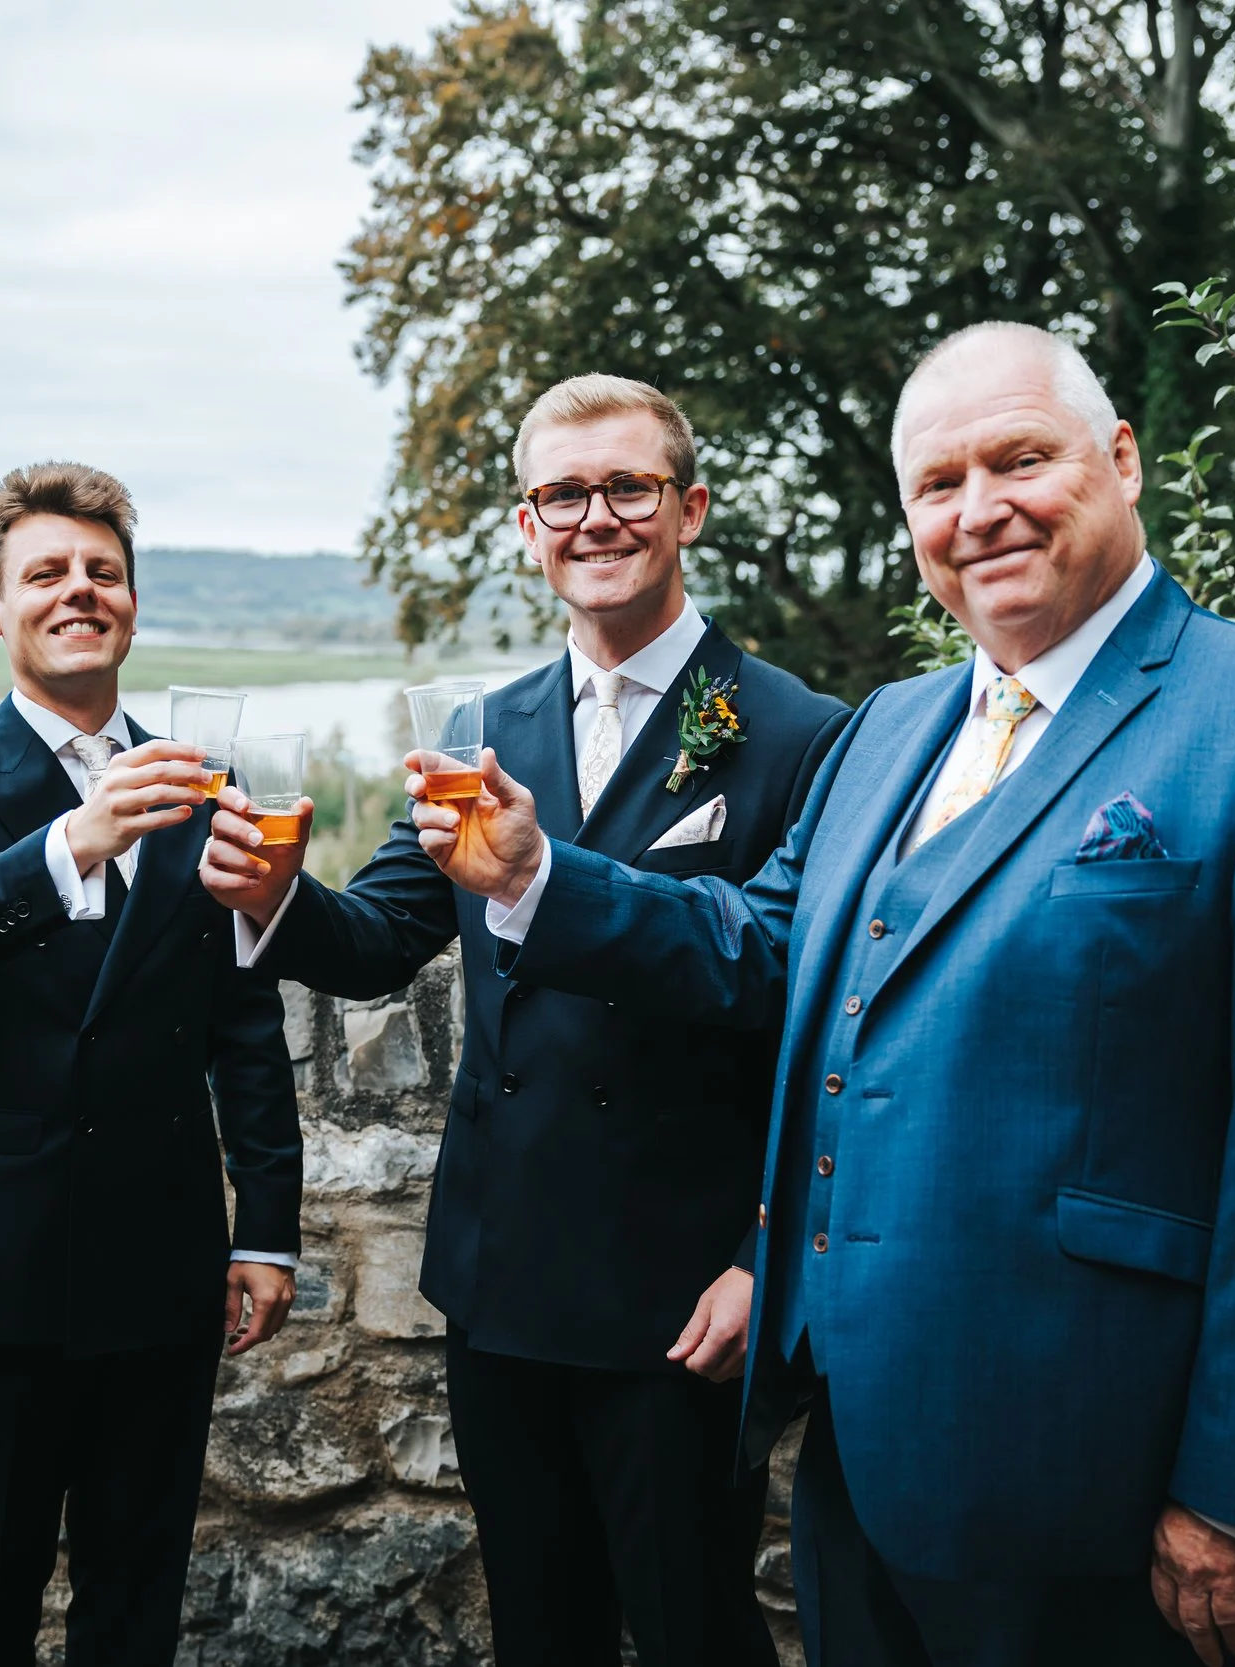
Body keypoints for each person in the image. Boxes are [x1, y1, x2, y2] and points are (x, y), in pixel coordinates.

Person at [400, 326, 1235, 1667]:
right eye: (940, 483)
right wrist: (538, 872)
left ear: (1120, 461)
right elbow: (756, 942)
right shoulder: (890, 728)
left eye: (1022, 459)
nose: (981, 509)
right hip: (853, 1447)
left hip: (1094, 1471)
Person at [201, 376, 847, 1667]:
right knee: (538, 1628)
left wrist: (760, 1258)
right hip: (503, 1280)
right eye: (564, 492)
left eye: (628, 487)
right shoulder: (480, 727)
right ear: (526, 522)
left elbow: (793, 999)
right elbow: (382, 936)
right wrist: (275, 899)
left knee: (695, 1628)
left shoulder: (798, 733)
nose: (595, 516)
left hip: (685, 1294)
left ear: (691, 508)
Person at [0, 462, 302, 1667]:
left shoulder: (209, 779)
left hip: (161, 1256)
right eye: (46, 572)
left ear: (131, 602)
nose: (78, 590)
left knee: (138, 1583)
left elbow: (244, 1022)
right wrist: (79, 835)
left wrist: (264, 1226)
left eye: (101, 572)